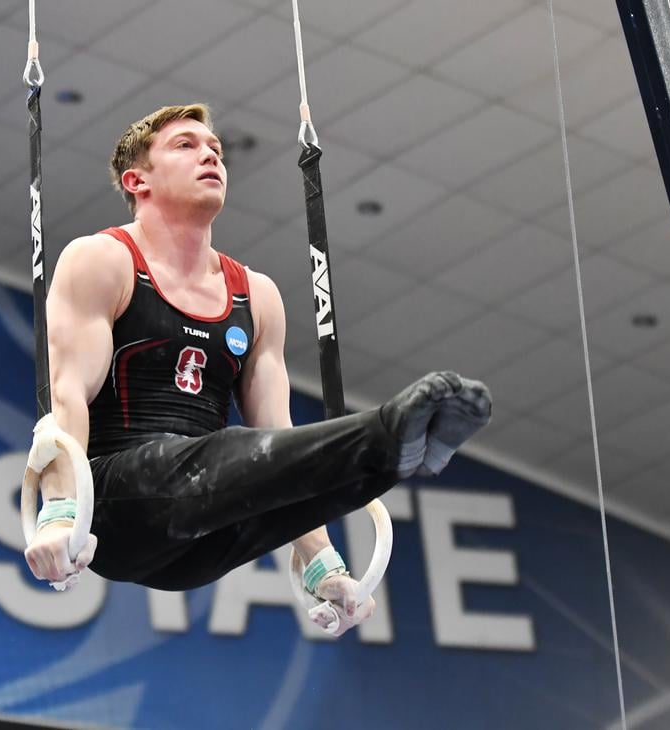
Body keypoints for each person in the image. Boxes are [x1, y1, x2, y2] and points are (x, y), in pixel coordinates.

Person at [24, 104, 491, 636]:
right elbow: (68, 396)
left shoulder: (257, 296)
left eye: (216, 149)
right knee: (227, 452)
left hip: (202, 537)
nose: (210, 155)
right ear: (138, 181)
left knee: (275, 467)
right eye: (186, 146)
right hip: (118, 507)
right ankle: (391, 434)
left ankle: (401, 454)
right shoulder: (101, 259)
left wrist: (322, 564)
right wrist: (60, 512)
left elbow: (276, 446)